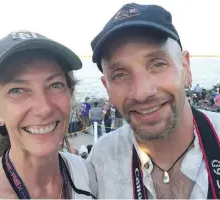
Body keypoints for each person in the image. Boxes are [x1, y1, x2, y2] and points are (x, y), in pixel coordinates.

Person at [88, 3, 220, 199]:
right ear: (107, 87)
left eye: (157, 64)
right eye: (120, 74)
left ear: (186, 68)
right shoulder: (101, 160)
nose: (142, 93)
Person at [0, 31, 97, 199]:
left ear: (70, 94)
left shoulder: (88, 175)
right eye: (17, 90)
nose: (44, 109)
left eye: (55, 85)